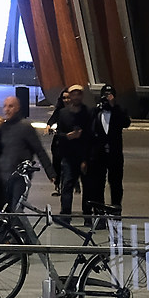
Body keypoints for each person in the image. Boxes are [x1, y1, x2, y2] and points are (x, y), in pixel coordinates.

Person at [0, 93, 51, 210]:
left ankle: (18, 228)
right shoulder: (2, 127)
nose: (7, 109)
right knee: (6, 209)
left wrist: (51, 172)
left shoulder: (25, 127)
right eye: (5, 106)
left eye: (10, 106)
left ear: (17, 108)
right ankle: (13, 228)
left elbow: (39, 150)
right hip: (3, 175)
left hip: (20, 175)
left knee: (16, 209)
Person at [50, 85, 97, 216]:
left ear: (82, 96)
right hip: (68, 157)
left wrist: (86, 159)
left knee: (87, 188)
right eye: (73, 94)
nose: (76, 97)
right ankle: (65, 214)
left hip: (84, 157)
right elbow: (58, 134)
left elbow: (91, 136)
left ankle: (87, 215)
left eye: (78, 94)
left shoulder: (88, 113)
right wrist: (67, 136)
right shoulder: (63, 113)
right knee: (67, 186)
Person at [89, 83, 130, 214]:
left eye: (110, 95)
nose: (107, 97)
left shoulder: (119, 111)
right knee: (98, 184)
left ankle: (116, 209)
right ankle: (99, 212)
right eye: (105, 95)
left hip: (115, 154)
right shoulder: (95, 112)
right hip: (98, 154)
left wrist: (113, 106)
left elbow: (126, 123)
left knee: (116, 183)